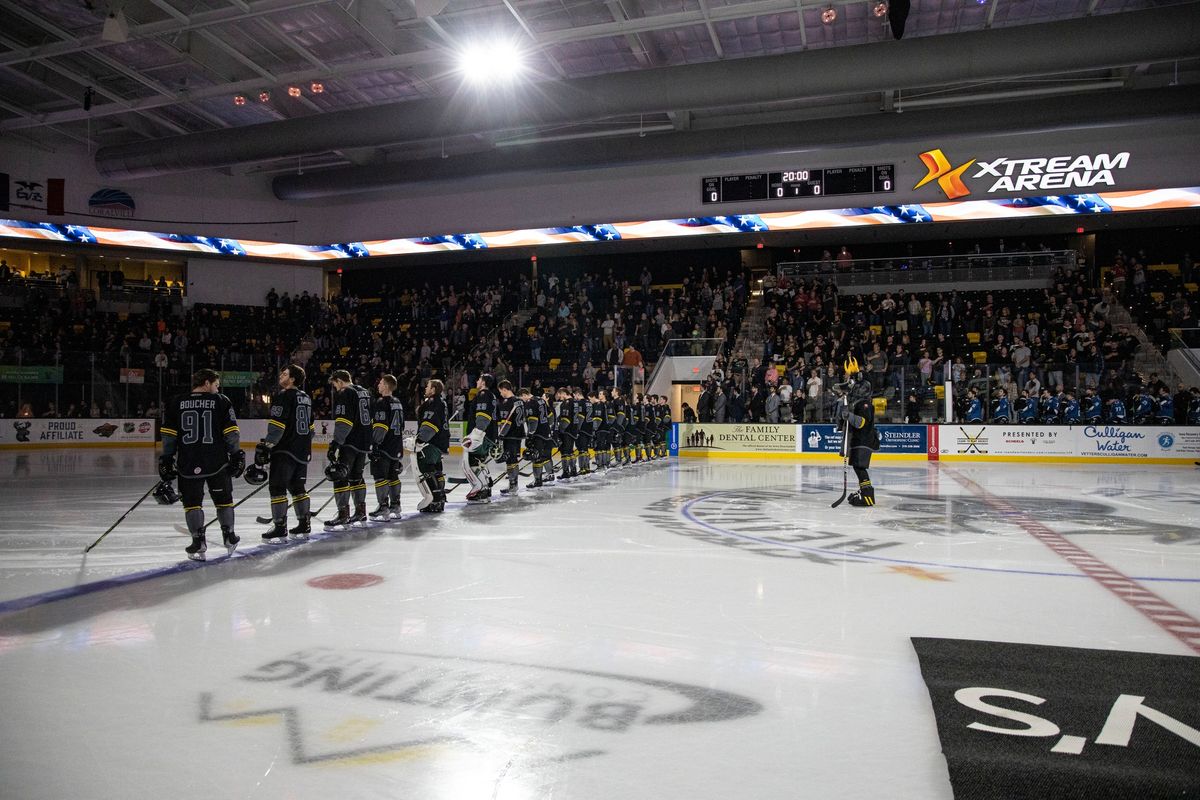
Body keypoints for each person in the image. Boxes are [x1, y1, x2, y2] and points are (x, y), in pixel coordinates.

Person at [159, 369, 243, 561]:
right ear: (206, 383)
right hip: (217, 461)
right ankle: (229, 537)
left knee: (192, 504)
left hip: (188, 462)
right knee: (224, 501)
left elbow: (169, 435)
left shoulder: (176, 402)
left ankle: (198, 542)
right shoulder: (221, 400)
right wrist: (236, 454)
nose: (217, 387)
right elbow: (231, 432)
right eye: (216, 384)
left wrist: (166, 458)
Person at [258, 364, 314, 543]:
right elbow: (311, 429)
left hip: (285, 449)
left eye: (285, 374)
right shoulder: (306, 398)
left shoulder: (283, 396)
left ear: (293, 379)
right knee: (298, 488)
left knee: (277, 487)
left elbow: (277, 425)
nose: (281, 376)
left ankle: (280, 527)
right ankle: (304, 524)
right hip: (302, 450)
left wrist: (268, 445)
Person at [325, 370, 372, 528]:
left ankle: (343, 514)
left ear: (339, 381)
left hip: (350, 441)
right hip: (364, 442)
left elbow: (344, 421)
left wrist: (336, 443)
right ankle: (360, 512)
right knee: (357, 477)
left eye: (334, 385)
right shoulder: (365, 392)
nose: (335, 388)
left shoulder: (345, 392)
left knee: (340, 476)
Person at [839, 361, 879, 507]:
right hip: (858, 441)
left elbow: (862, 422)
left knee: (860, 467)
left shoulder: (865, 404)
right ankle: (864, 491)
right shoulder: (858, 403)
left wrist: (848, 415)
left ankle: (868, 495)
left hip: (863, 440)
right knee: (858, 467)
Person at [368, 374, 405, 519]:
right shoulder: (398, 402)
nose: (378, 385)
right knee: (393, 476)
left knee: (380, 477)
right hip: (396, 445)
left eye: (381, 383)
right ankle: (395, 505)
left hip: (384, 446)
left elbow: (380, 427)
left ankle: (383, 507)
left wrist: (375, 445)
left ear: (387, 386)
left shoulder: (381, 402)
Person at [412, 379, 450, 512]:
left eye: (427, 387)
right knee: (436, 469)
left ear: (433, 389)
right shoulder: (441, 402)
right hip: (440, 442)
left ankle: (435, 500)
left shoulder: (432, 403)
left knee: (426, 468)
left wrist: (420, 440)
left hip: (431, 442)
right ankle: (440, 499)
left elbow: (430, 424)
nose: (425, 389)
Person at [462, 373, 498, 503]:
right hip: (489, 435)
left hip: (482, 436)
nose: (477, 381)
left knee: (472, 463)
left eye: (479, 379)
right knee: (480, 462)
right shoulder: (492, 396)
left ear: (483, 382)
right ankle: (486, 489)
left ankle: (481, 490)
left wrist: (476, 435)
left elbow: (483, 418)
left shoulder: (483, 395)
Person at [496, 380, 526, 495]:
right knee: (512, 458)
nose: (500, 394)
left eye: (500, 391)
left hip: (510, 434)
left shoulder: (507, 402)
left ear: (504, 389)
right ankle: (513, 484)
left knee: (511, 459)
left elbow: (506, 422)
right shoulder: (520, 401)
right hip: (518, 434)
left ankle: (513, 485)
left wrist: (501, 435)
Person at [521, 386, 554, 488]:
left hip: (538, 434)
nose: (522, 401)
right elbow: (551, 416)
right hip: (546, 432)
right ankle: (550, 475)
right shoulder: (541, 400)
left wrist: (530, 435)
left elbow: (533, 421)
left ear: (524, 395)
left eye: (521, 398)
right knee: (546, 456)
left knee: (536, 457)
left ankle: (537, 481)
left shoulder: (530, 402)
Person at [573, 386, 595, 475]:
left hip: (583, 429)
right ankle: (587, 467)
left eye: (575, 395)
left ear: (578, 394)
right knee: (585, 449)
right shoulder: (589, 402)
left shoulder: (580, 403)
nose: (574, 397)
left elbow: (581, 417)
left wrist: (577, 429)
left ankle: (582, 468)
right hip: (589, 429)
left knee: (581, 449)